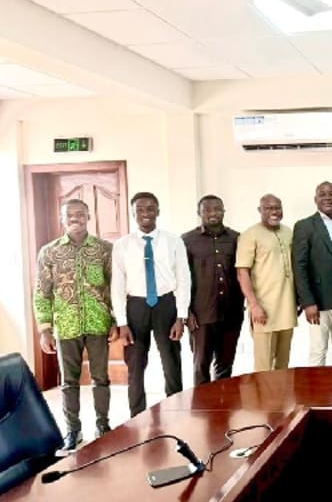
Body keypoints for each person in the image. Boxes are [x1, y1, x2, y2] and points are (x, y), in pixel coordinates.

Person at [33, 199, 116, 452]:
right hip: (66, 325)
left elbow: (114, 287)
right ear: (62, 218)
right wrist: (44, 328)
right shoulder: (49, 252)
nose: (75, 218)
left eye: (80, 213)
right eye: (70, 214)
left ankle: (103, 425)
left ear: (89, 216)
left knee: (101, 379)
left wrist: (115, 321)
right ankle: (73, 431)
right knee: (69, 382)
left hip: (98, 323)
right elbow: (42, 292)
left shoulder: (105, 249)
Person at [111, 192, 190, 418]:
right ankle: (137, 415)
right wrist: (122, 323)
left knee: (171, 361)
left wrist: (180, 316)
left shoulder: (173, 241)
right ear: (133, 213)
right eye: (140, 209)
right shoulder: (122, 245)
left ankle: (176, 410)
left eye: (150, 208)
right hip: (135, 307)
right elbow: (117, 285)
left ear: (158, 211)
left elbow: (184, 279)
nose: (146, 213)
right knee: (135, 365)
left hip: (166, 304)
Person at [182, 195, 244, 386]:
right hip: (202, 314)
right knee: (201, 365)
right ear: (199, 213)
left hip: (231, 311)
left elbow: (243, 272)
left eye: (217, 209)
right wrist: (186, 311)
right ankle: (203, 410)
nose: (213, 213)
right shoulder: (187, 240)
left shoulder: (237, 238)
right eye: (207, 210)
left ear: (224, 211)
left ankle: (222, 409)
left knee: (225, 364)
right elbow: (182, 279)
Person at [292, 182, 332, 366]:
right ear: (315, 199)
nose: (327, 197)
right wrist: (307, 302)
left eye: (331, 194)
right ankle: (316, 393)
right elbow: (300, 265)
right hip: (318, 298)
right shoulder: (305, 226)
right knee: (318, 349)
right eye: (322, 194)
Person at [236, 194, 296, 371]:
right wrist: (254, 305)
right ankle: (263, 400)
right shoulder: (250, 235)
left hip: (287, 308)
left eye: (277, 207)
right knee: (264, 366)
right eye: (269, 208)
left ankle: (281, 399)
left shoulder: (287, 232)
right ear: (259, 210)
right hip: (264, 310)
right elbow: (242, 272)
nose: (274, 212)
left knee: (283, 364)